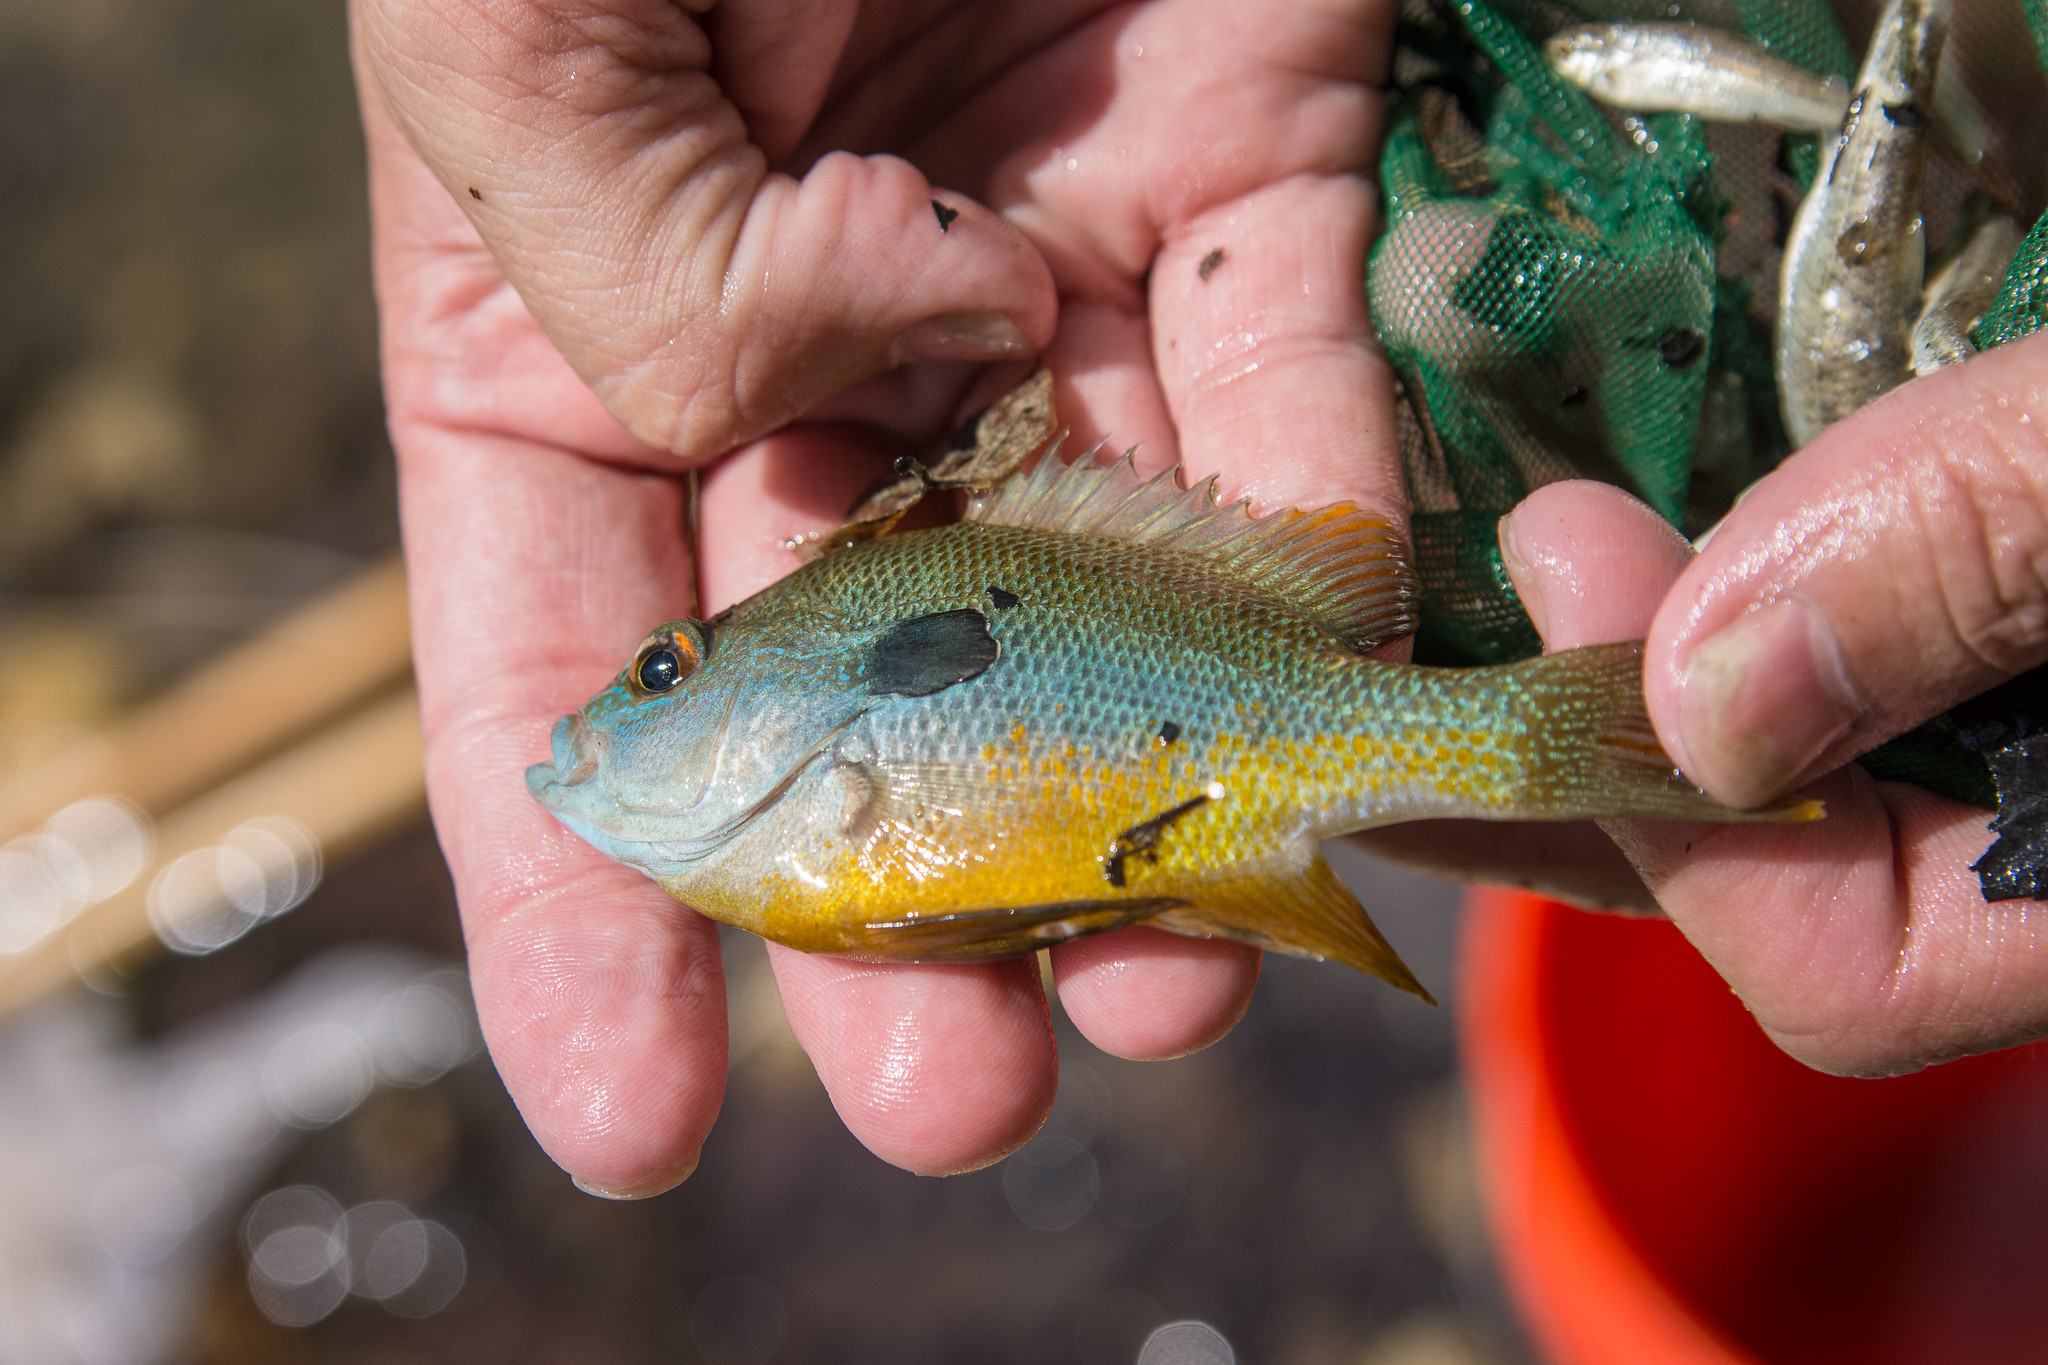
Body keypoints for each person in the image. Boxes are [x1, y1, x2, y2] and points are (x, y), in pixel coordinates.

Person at [351, 0, 2048, 1199]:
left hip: (1224, 711)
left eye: (667, 669)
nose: (613, 711)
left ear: (752, 670)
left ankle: (1603, 734)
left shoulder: (814, 710)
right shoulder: (797, 811)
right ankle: (1616, 737)